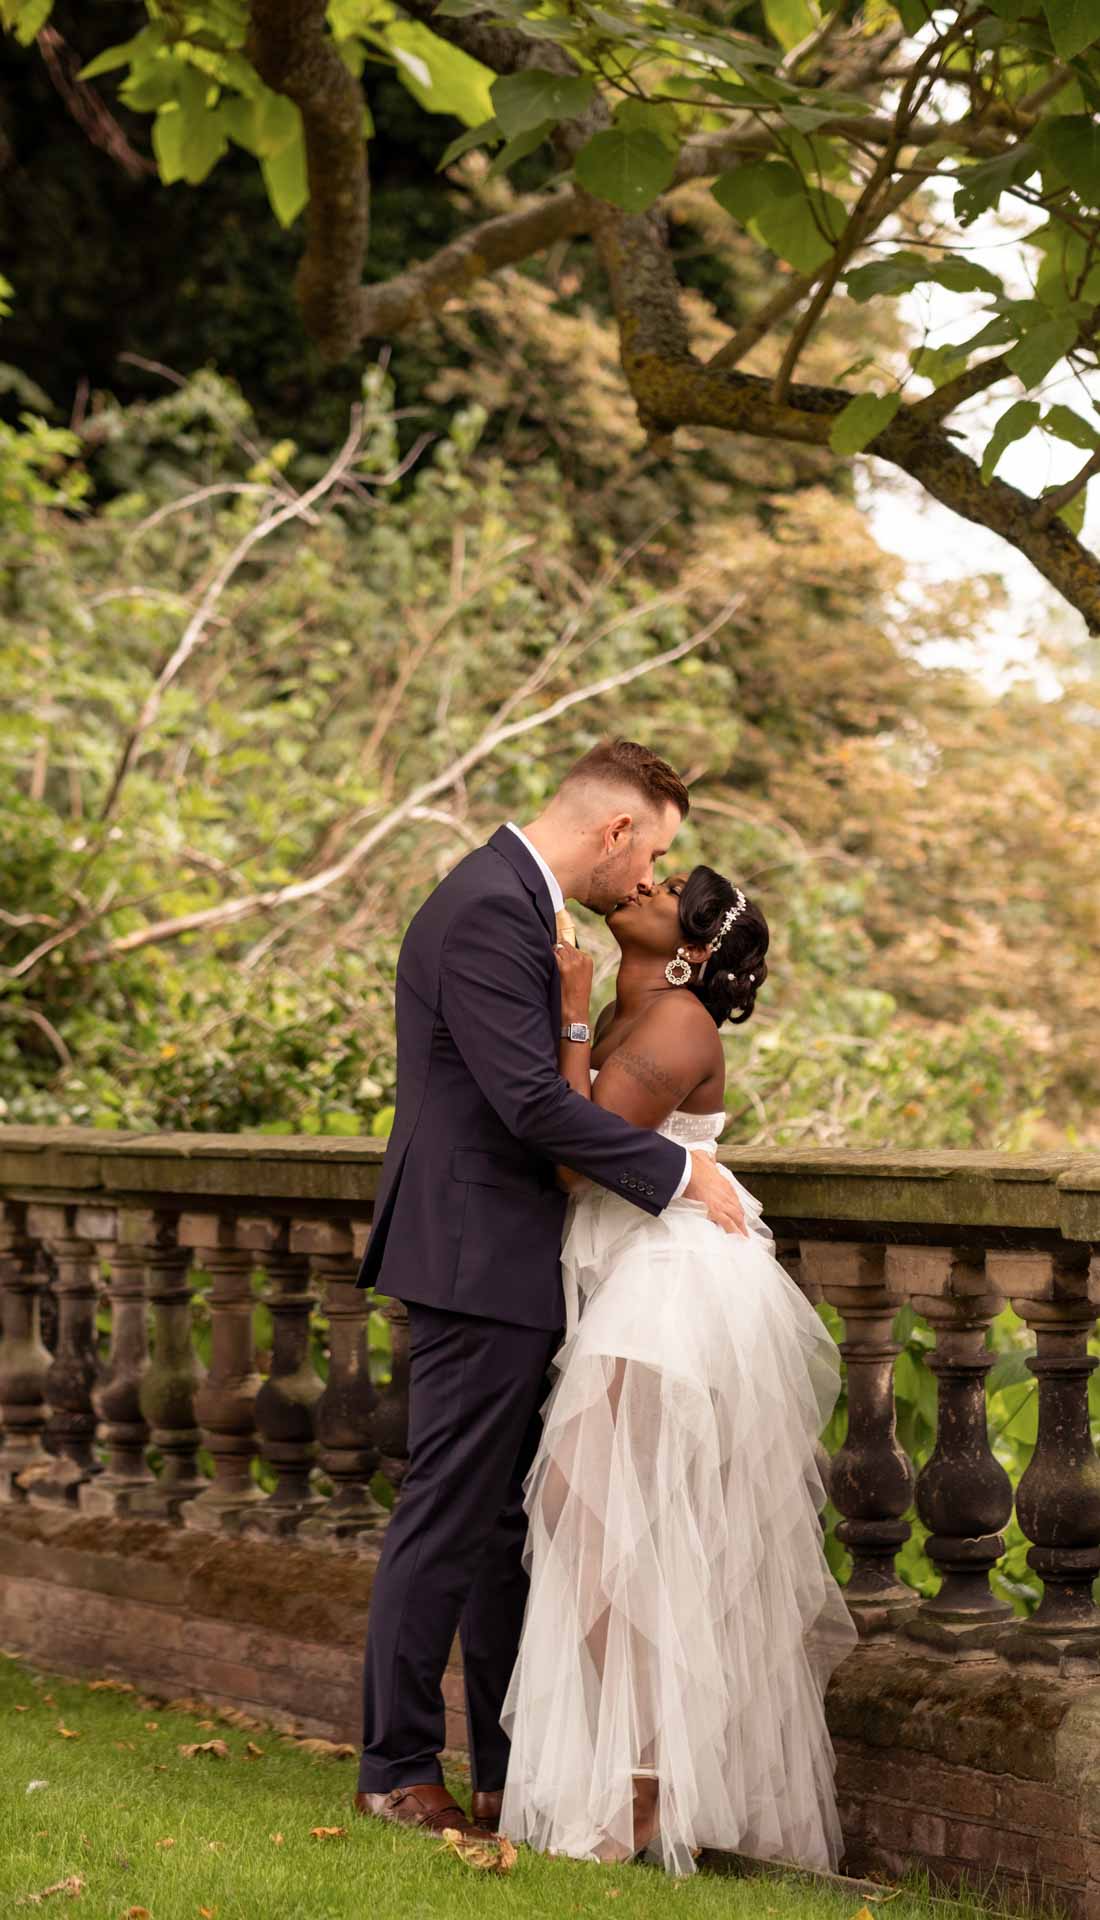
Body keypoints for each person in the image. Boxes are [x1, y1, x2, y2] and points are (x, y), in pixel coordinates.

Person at [351, 741, 746, 1844]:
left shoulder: (519, 906)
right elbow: (528, 1104)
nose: (649, 876)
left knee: (497, 1530)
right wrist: (679, 1172)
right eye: (654, 851)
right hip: (478, 1254)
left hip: (508, 1255)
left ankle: (502, 1774)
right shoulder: (488, 906)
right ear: (614, 830)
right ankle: (392, 1768)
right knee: (448, 1514)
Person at [497, 865, 857, 1875]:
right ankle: (644, 1776)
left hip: (674, 1281)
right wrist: (574, 1008)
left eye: (668, 892)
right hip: (638, 1273)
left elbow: (577, 1159)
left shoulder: (676, 1025)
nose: (643, 883)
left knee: (601, 1512)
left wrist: (568, 1015)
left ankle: (650, 1777)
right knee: (609, 1519)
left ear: (691, 947)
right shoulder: (635, 1004)